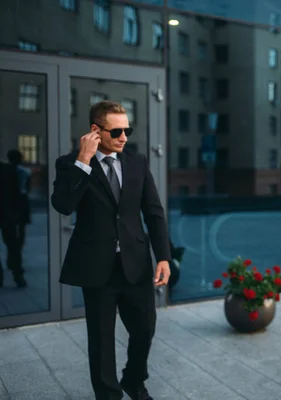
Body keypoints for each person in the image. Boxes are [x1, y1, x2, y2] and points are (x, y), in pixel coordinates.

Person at [51, 100, 171, 400]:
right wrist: (84, 160)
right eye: (116, 130)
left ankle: (133, 380)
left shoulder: (138, 162)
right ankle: (108, 395)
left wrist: (164, 257)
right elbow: (64, 205)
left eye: (127, 129)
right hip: (97, 267)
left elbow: (154, 212)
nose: (124, 137)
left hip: (136, 263)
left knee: (144, 331)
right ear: (95, 130)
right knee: (102, 340)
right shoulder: (70, 164)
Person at [0, 159, 26, 288]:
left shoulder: (8, 170)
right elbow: (16, 192)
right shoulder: (8, 169)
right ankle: (18, 274)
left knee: (13, 245)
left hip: (7, 213)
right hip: (7, 213)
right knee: (13, 245)